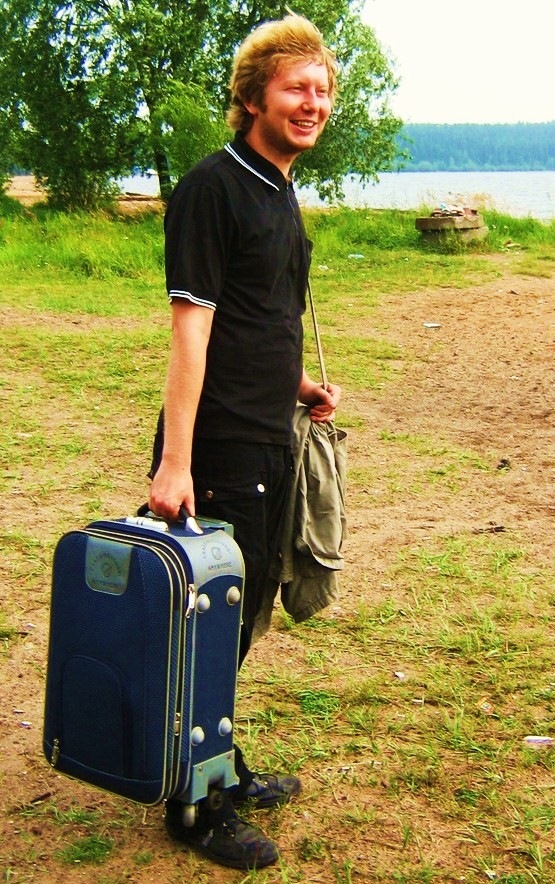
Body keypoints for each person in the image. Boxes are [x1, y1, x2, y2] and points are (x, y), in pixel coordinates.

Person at [148, 13, 341, 870]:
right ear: (254, 95)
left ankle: (216, 755)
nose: (313, 103)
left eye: (323, 91)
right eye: (296, 87)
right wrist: (176, 462)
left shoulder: (276, 187)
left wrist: (298, 386)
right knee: (211, 620)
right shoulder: (213, 187)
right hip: (220, 443)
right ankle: (194, 806)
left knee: (247, 601)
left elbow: (258, 316)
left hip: (271, 432)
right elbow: (191, 332)